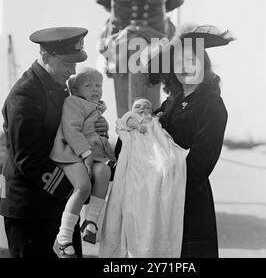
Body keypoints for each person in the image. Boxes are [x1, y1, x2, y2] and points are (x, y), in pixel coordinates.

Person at [0, 27, 109, 258]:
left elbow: (73, 130)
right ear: (46, 57)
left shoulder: (60, 87)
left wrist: (98, 129)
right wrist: (78, 189)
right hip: (30, 212)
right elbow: (28, 160)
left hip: (57, 207)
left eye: (75, 64)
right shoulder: (25, 94)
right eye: (67, 64)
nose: (72, 71)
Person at [146, 23, 235, 258]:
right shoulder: (171, 101)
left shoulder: (211, 104)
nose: (184, 67)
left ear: (204, 67)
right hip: (163, 192)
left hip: (188, 197)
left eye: (191, 61)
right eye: (178, 63)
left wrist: (168, 180)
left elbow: (202, 160)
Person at [99, 97, 188, 258]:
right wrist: (139, 125)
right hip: (134, 163)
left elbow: (162, 138)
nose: (142, 109)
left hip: (152, 156)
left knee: (163, 168)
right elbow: (121, 144)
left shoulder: (154, 122)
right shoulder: (129, 120)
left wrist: (155, 121)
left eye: (147, 107)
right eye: (138, 106)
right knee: (131, 212)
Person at [50, 67, 117, 257]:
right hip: (70, 152)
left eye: (98, 85)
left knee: (104, 172)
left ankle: (91, 221)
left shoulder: (96, 107)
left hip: (90, 154)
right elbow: (71, 130)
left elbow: (96, 134)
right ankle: (62, 239)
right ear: (76, 90)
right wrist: (87, 153)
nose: (95, 89)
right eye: (88, 86)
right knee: (83, 186)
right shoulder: (73, 102)